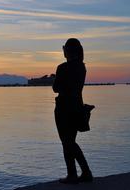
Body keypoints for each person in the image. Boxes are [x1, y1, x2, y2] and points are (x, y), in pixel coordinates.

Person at [53, 38, 93, 184]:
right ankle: (82, 173)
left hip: (64, 107)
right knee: (70, 141)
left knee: (67, 142)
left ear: (66, 51)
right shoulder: (82, 67)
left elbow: (56, 88)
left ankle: (75, 174)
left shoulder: (62, 67)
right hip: (76, 106)